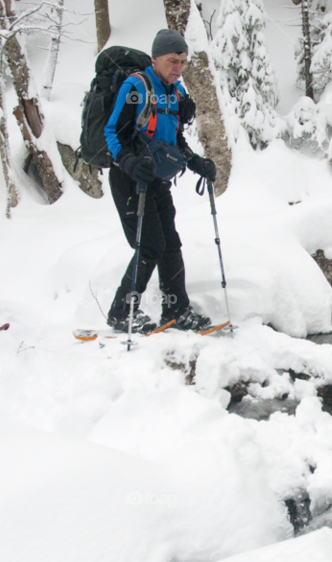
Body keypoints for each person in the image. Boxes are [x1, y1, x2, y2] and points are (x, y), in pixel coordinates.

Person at [103, 29, 217, 334]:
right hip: (129, 179)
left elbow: (174, 140)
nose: (178, 66)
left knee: (170, 246)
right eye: (172, 60)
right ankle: (120, 313)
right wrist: (126, 161)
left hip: (157, 181)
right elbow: (112, 132)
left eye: (182, 60)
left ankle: (176, 310)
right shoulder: (136, 87)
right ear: (155, 59)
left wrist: (195, 162)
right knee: (150, 245)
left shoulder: (176, 93)